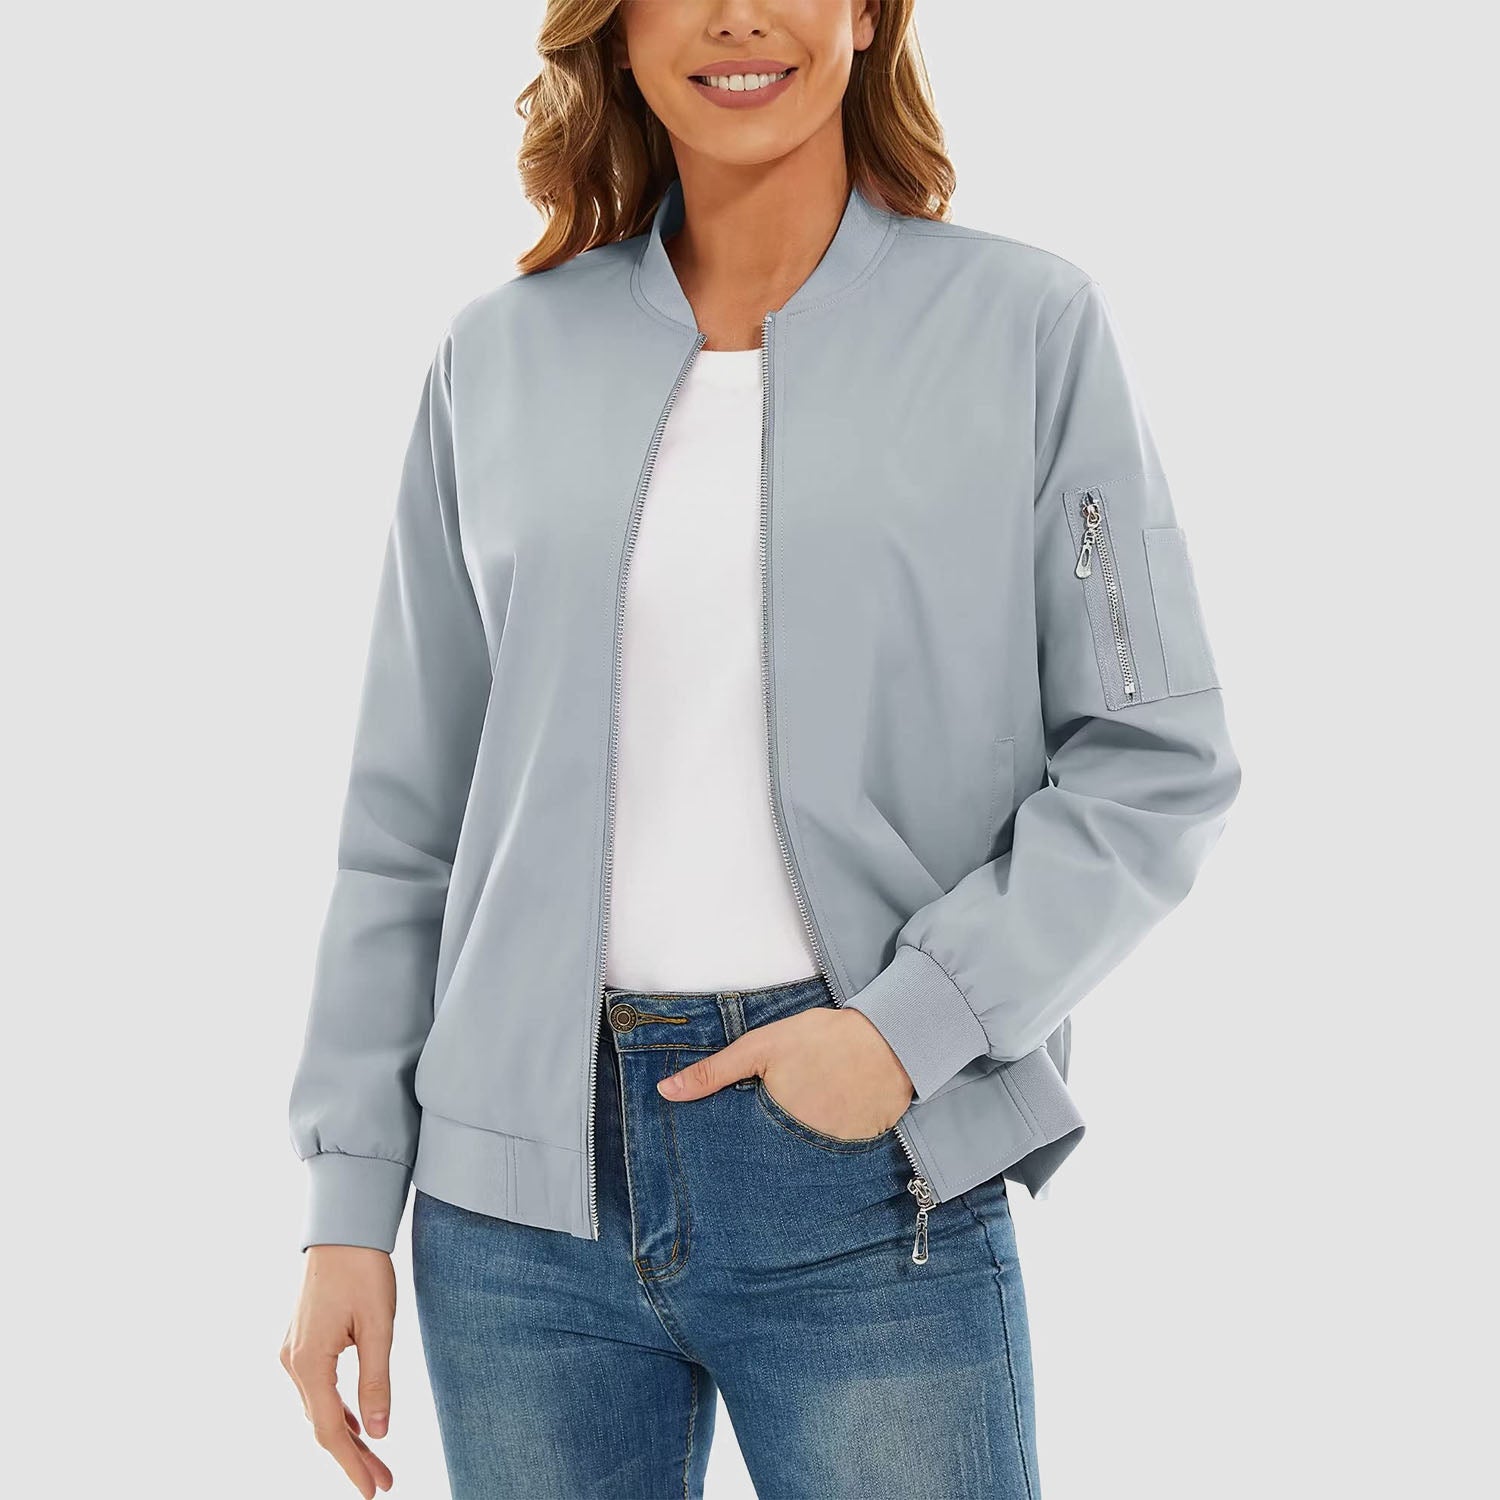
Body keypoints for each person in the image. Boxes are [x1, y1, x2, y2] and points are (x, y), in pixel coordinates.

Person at [280, 2, 1242, 1496]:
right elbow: (407, 822)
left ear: (865, 12)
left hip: (867, 1177)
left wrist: (908, 1033)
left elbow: (1153, 755)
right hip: (515, 1215)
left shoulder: (1025, 328)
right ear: (616, 27)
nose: (737, 14)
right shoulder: (497, 356)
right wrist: (349, 1203)